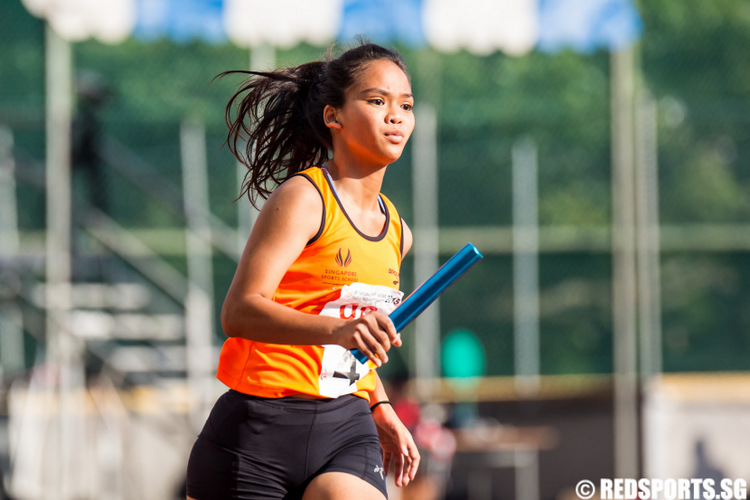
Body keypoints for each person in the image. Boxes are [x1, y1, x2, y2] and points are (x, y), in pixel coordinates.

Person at [185, 41, 421, 500]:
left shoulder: (398, 231)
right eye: (377, 101)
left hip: (345, 429)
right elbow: (238, 312)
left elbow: (357, 337)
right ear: (334, 117)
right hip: (257, 433)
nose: (396, 116)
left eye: (406, 105)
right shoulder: (305, 198)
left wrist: (380, 404)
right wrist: (339, 331)